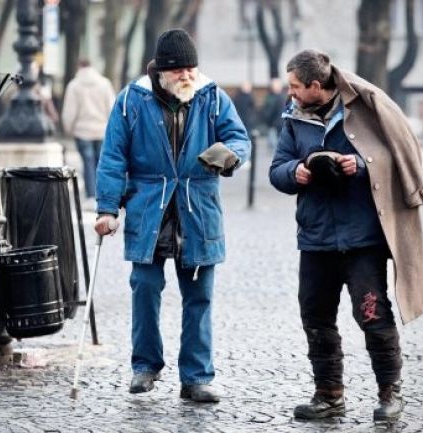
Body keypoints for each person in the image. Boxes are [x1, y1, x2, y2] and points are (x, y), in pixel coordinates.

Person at [269, 49, 423, 422]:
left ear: (315, 85)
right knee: (316, 317)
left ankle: (391, 394)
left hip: (362, 239)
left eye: (295, 87)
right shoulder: (294, 119)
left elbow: (392, 156)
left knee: (372, 315)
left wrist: (358, 165)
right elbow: (276, 169)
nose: (289, 93)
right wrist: (297, 172)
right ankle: (329, 396)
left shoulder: (365, 111)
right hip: (316, 238)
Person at [94, 29, 251, 403]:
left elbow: (239, 138)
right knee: (144, 289)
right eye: (179, 69)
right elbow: (113, 157)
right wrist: (107, 208)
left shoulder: (212, 97)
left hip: (198, 208)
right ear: (161, 72)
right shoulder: (131, 100)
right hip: (150, 206)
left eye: (191, 68)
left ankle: (196, 377)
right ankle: (145, 366)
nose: (187, 75)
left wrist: (229, 155)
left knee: (199, 296)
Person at [62, 59, 116, 202]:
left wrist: (68, 127)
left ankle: (91, 195)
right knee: (101, 162)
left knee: (87, 162)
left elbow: (70, 110)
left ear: (80, 67)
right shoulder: (105, 83)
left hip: (82, 131)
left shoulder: (74, 85)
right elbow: (111, 108)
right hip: (101, 130)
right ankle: (102, 193)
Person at [261, 78, 287, 150]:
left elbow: (270, 111)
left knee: (277, 145)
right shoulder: (283, 96)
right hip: (278, 123)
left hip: (277, 124)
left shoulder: (277, 97)